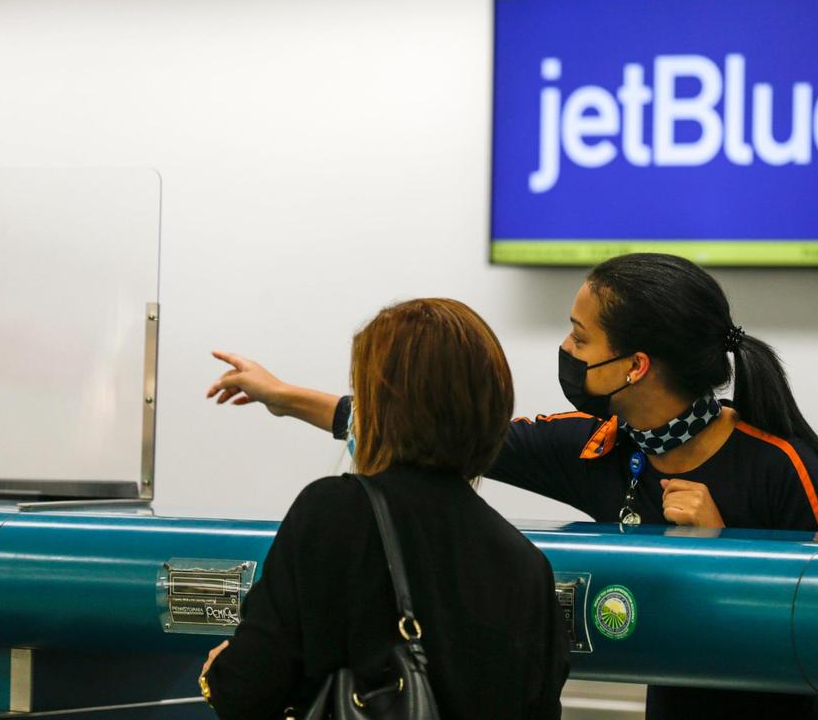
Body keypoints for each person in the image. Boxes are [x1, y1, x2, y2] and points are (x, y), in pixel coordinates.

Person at [207, 253, 818, 720]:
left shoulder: (780, 466)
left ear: (635, 365)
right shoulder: (596, 443)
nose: (567, 348)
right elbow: (427, 425)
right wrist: (282, 395)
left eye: (580, 335)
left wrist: (727, 548)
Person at [199, 298, 569, 720]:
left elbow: (248, 687)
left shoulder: (334, 512)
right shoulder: (527, 566)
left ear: (380, 408)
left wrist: (216, 675)